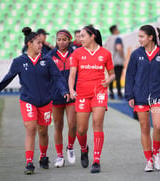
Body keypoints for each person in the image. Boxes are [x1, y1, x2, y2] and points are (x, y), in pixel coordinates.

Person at [0, 27, 69, 175]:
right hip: (28, 101)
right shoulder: (19, 61)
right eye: (38, 43)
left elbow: (58, 78)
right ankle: (29, 162)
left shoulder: (47, 60)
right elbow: (7, 79)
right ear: (29, 44)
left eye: (41, 43)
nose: (41, 45)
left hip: (46, 101)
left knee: (43, 131)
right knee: (31, 128)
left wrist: (64, 91)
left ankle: (43, 157)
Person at [125, 25, 160, 172]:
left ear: (150, 37)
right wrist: (129, 95)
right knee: (145, 128)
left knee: (158, 126)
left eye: (142, 37)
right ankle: (148, 160)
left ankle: (156, 153)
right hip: (140, 96)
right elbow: (130, 76)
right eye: (139, 37)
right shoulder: (136, 54)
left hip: (158, 95)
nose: (139, 40)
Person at [69, 25, 115, 173]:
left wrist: (109, 81)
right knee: (81, 130)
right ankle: (84, 149)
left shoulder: (105, 53)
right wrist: (71, 89)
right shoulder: (76, 53)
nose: (80, 39)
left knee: (97, 123)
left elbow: (112, 73)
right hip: (82, 94)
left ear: (92, 36)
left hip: (99, 93)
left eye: (83, 36)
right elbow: (72, 75)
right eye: (79, 36)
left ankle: (96, 160)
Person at [46, 29, 77, 168]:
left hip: (72, 94)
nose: (61, 42)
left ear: (69, 40)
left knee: (73, 124)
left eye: (64, 39)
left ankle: (70, 147)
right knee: (58, 125)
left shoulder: (75, 54)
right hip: (56, 95)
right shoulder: (49, 56)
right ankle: (59, 156)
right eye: (59, 39)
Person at [104, 25, 125, 99]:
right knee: (118, 78)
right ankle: (119, 94)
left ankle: (111, 93)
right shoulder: (117, 38)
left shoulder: (107, 39)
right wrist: (123, 56)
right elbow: (119, 47)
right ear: (115, 30)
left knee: (111, 77)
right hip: (117, 61)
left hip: (109, 61)